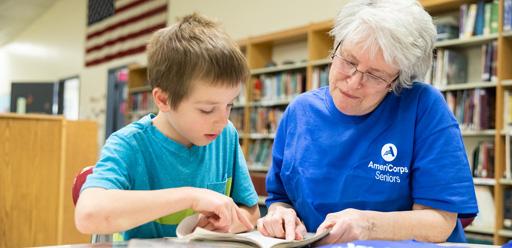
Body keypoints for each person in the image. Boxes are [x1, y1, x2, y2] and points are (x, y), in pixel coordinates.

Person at [256, 0, 478, 244]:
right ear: (336, 46)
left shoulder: (424, 107)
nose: (353, 82)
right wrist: (280, 214)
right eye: (349, 61)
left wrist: (369, 225)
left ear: (397, 80)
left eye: (375, 75)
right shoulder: (300, 111)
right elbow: (279, 197)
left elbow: (440, 222)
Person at [75, 13, 259, 240]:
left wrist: (228, 225)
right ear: (163, 100)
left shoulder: (226, 135)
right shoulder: (128, 144)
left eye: (229, 105)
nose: (222, 120)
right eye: (207, 110)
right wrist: (191, 196)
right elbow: (88, 215)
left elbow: (250, 211)